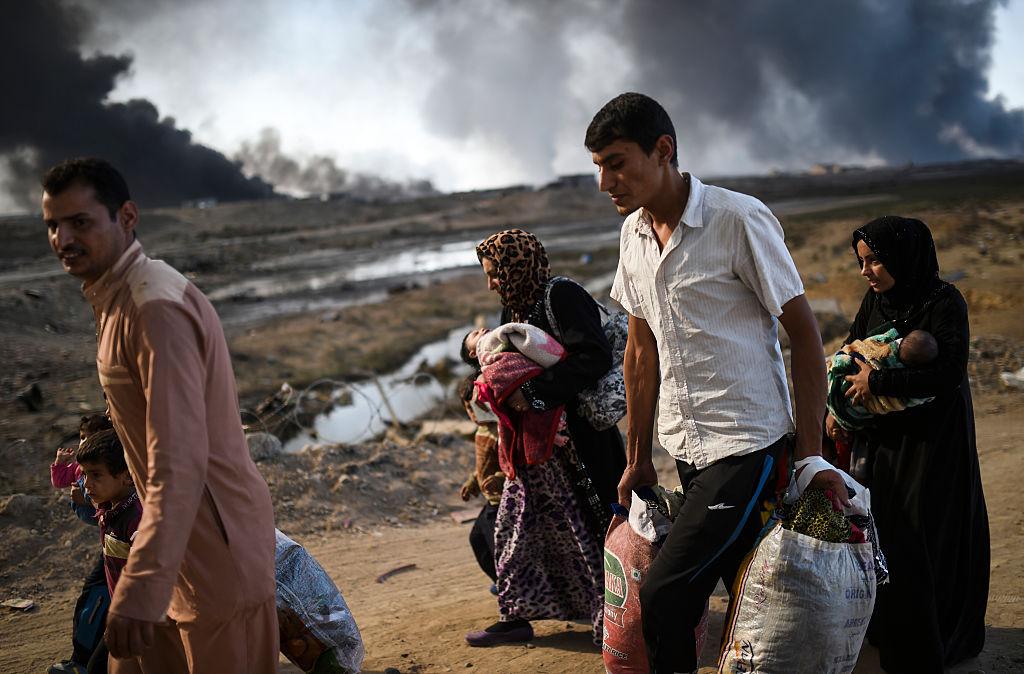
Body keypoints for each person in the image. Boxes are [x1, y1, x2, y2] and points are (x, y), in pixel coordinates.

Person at [587, 92, 844, 673]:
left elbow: (804, 337)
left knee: (666, 595)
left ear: (663, 150)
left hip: (747, 445)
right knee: (745, 591)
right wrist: (638, 457)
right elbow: (640, 349)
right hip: (687, 449)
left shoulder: (737, 219)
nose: (606, 181)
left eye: (617, 162)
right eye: (598, 165)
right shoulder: (633, 235)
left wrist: (810, 458)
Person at [42, 157, 278, 673]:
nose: (63, 238)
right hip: (167, 537)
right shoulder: (119, 299)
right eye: (52, 225)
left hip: (215, 542)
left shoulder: (154, 309)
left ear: (127, 217)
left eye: (80, 222)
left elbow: (182, 459)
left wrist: (142, 584)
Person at [826, 215, 989, 673]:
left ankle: (940, 637)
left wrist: (879, 379)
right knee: (888, 531)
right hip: (885, 439)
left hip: (933, 440)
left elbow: (948, 372)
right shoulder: (875, 300)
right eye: (862, 262)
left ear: (903, 257)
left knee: (927, 533)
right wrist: (837, 408)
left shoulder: (944, 301)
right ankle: (891, 628)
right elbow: (851, 347)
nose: (866, 272)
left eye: (875, 260)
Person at [464, 230, 623, 647]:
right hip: (535, 451)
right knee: (517, 530)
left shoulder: (563, 296)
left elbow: (594, 356)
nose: (492, 283)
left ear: (517, 266)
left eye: (495, 274)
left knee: (595, 532)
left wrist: (533, 392)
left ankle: (614, 620)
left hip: (578, 448)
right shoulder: (513, 306)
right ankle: (516, 614)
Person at [49, 414, 115, 674]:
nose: (87, 482)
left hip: (121, 537)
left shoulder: (120, 453)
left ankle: (83, 663)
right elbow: (61, 480)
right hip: (114, 533)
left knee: (100, 596)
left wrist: (89, 502)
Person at [76, 428, 143, 674]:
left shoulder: (136, 518)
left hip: (140, 617)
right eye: (84, 475)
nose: (86, 483)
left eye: (95, 475)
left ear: (126, 477)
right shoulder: (109, 507)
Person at [827, 328, 939, 432]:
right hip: (847, 384)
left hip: (884, 427)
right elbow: (860, 344)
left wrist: (871, 380)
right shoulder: (887, 345)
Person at [455, 370, 503, 589]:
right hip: (490, 500)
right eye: (467, 409)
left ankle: (508, 589)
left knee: (498, 548)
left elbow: (513, 465)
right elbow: (482, 467)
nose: (472, 413)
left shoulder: (501, 432)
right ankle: (499, 582)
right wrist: (473, 482)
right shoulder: (481, 431)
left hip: (503, 501)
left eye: (475, 406)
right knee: (477, 539)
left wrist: (499, 478)